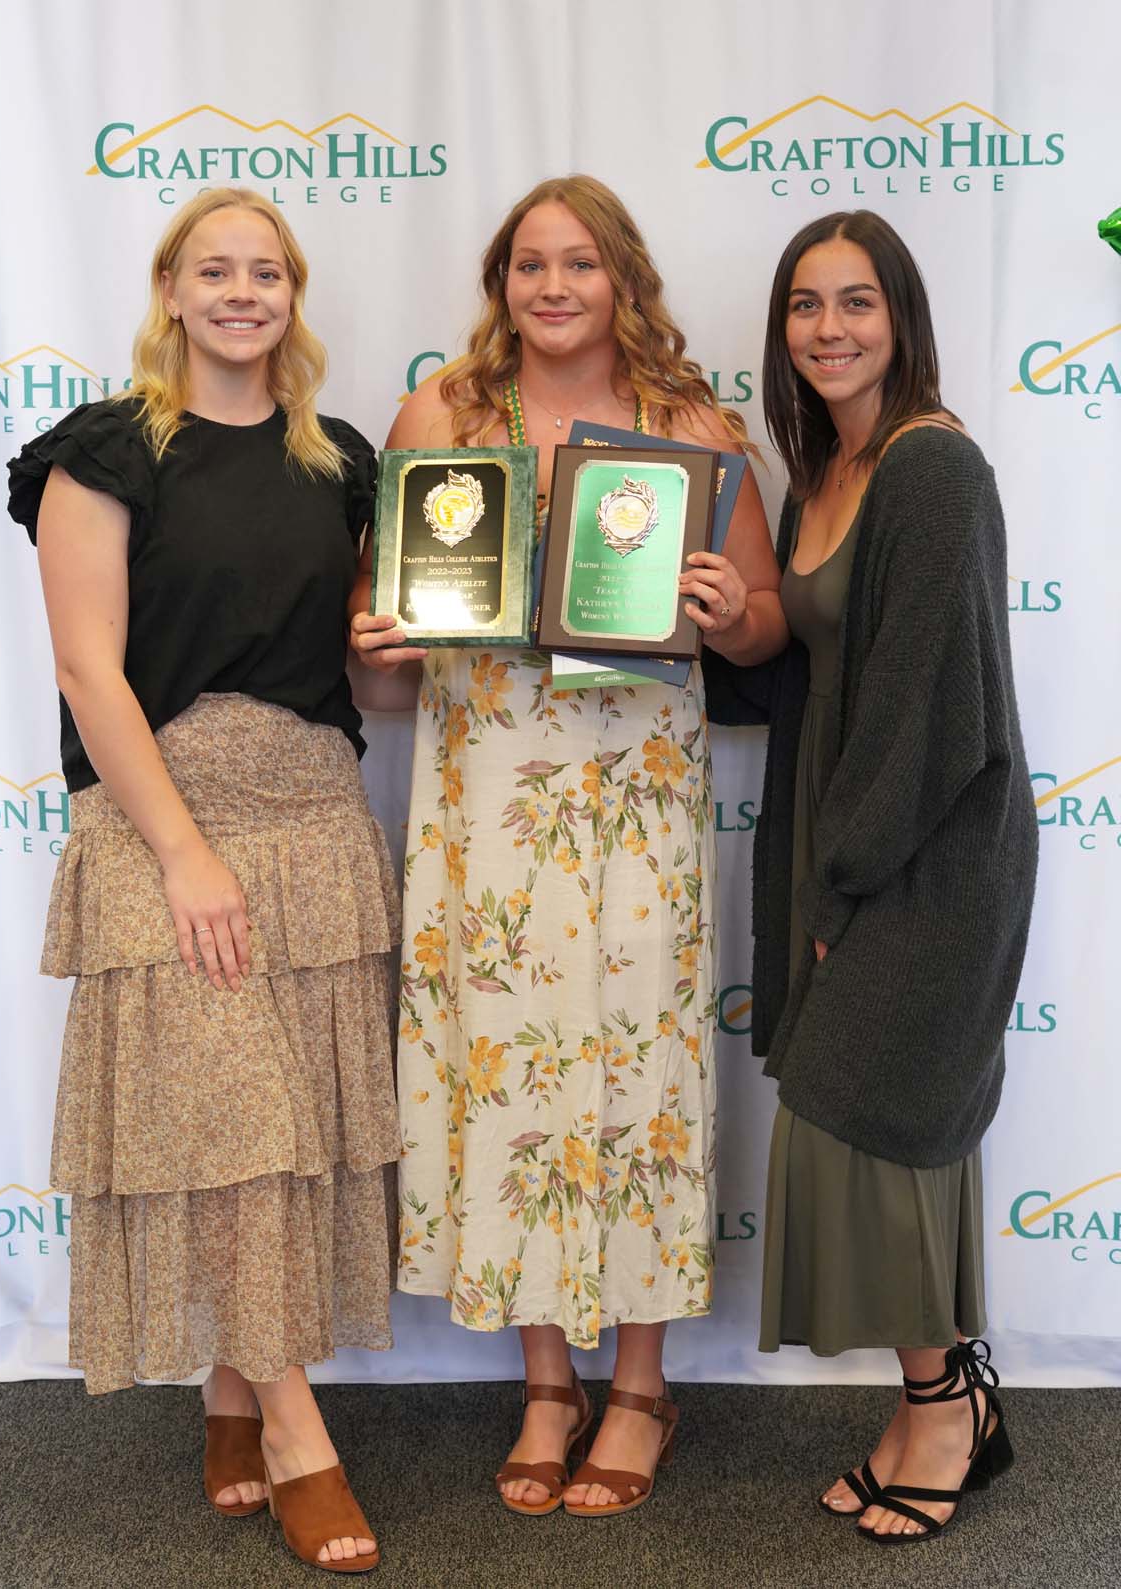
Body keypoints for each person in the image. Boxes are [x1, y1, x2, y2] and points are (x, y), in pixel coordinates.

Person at [350, 174, 786, 1517]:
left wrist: (727, 608)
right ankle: (549, 1377)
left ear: (622, 282)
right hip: (485, 798)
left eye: (579, 263)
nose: (552, 285)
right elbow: (382, 684)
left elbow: (768, 628)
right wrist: (378, 648)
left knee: (639, 1069)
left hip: (637, 804)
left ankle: (642, 1379)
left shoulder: (692, 427)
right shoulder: (437, 420)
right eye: (528, 263)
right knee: (508, 1073)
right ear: (499, 283)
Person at [7, 187, 397, 1573]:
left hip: (314, 818)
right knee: (232, 1127)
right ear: (171, 289)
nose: (244, 292)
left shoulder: (339, 458)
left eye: (269, 271)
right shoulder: (106, 450)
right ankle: (294, 1428)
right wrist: (182, 854)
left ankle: (231, 1393)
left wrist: (402, 644)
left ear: (294, 293)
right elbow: (84, 667)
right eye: (215, 270)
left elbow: (363, 674)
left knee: (285, 1138)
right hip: (167, 826)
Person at [753, 210, 1038, 1545]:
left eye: (856, 301)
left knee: (886, 1129)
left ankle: (941, 1408)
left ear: (903, 316)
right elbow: (815, 666)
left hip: (927, 853)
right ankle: (954, 1388)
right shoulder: (828, 470)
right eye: (806, 305)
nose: (829, 328)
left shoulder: (931, 469)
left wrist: (842, 886)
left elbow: (930, 710)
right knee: (874, 1129)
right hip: (849, 838)